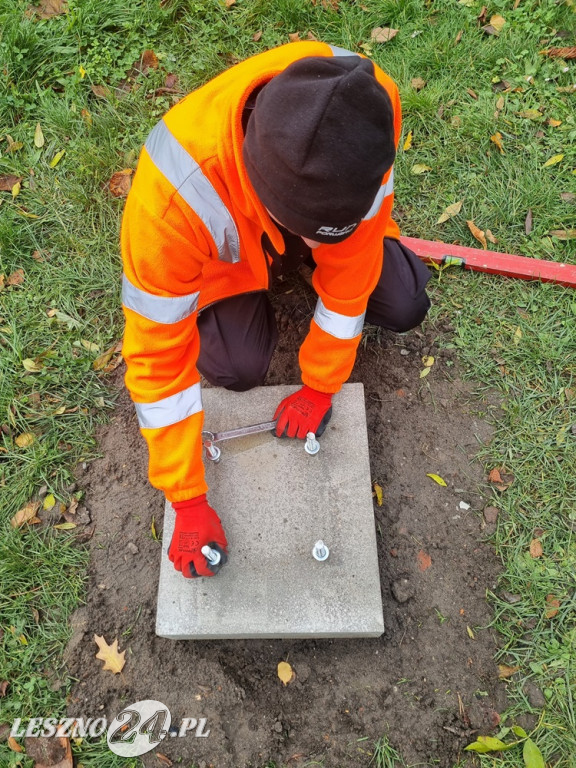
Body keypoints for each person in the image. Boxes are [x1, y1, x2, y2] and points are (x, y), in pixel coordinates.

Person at [121, 41, 431, 580]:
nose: (317, 240)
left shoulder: (369, 111)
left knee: (404, 300)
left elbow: (353, 270)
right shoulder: (171, 203)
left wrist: (319, 386)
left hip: (311, 221)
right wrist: (187, 498)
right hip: (230, 263)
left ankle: (309, 252)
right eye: (308, 228)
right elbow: (156, 363)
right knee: (235, 367)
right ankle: (277, 267)